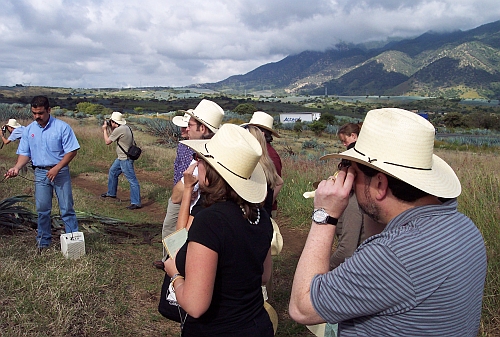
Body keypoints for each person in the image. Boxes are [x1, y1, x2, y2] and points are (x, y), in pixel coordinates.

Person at [289, 108, 487, 336]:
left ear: (381, 185)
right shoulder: (464, 228)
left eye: (351, 171)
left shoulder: (394, 254)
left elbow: (302, 308)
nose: (347, 178)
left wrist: (325, 214)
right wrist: (368, 199)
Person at [164, 123, 274, 337]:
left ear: (213, 171)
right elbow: (264, 276)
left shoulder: (210, 221)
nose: (196, 164)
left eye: (200, 160)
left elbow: (196, 305)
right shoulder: (262, 217)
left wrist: (175, 275)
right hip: (257, 325)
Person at [154, 99, 224, 269]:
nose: (187, 128)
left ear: (203, 128)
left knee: (182, 253)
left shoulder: (201, 161)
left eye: (191, 125)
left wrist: (186, 188)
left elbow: (177, 197)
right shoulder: (224, 154)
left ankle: (172, 266)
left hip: (196, 217)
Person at [4, 96, 80, 251]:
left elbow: (72, 151)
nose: (37, 116)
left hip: (60, 172)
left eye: (40, 113)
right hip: (40, 173)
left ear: (48, 110)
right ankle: (44, 242)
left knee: (66, 208)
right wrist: (17, 168)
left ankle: (73, 244)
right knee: (43, 210)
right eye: (34, 113)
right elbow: (25, 153)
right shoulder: (29, 130)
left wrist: (57, 168)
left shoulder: (62, 127)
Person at [243, 111, 282, 217]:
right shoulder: (263, 153)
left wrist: (265, 204)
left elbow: (275, 183)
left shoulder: (270, 156)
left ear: (261, 134)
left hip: (263, 210)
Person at [101, 111, 141, 210]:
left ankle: (136, 202)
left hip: (125, 159)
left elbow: (107, 142)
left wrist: (105, 130)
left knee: (132, 180)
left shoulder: (119, 130)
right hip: (122, 158)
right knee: (113, 172)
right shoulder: (126, 127)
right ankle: (111, 193)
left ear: (114, 122)